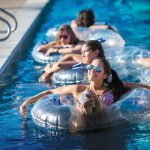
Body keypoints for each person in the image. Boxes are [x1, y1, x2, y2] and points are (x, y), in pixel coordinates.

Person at [20, 57, 128, 118]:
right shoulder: (78, 89)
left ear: (105, 75)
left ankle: (87, 105)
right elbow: (50, 91)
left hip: (96, 122)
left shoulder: (108, 93)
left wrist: (94, 100)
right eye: (90, 67)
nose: (93, 71)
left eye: (98, 69)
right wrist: (27, 102)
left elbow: (104, 108)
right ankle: (84, 106)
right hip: (76, 122)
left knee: (94, 103)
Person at [39, 40, 105, 82]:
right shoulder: (88, 60)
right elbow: (70, 56)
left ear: (96, 52)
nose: (82, 55)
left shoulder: (92, 66)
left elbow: (60, 66)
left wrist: (48, 72)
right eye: (82, 52)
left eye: (85, 52)